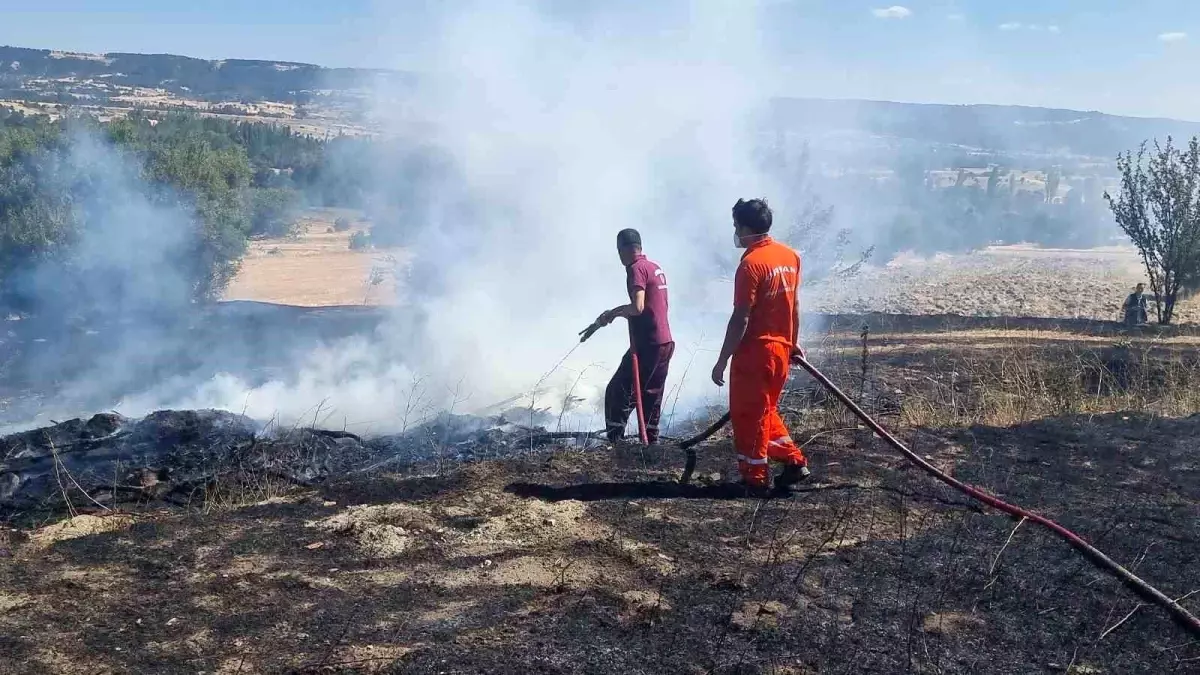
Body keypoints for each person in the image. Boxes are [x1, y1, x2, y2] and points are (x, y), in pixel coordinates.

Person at [711, 198, 810, 494]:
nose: (735, 233)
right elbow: (794, 306)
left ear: (745, 227)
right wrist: (792, 343)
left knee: (748, 416)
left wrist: (721, 359)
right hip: (780, 352)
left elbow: (740, 317)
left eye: (735, 227)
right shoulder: (790, 256)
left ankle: (754, 479)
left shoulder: (751, 265)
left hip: (756, 354)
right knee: (765, 411)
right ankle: (793, 462)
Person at [592, 228, 674, 444]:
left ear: (624, 250)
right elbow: (656, 305)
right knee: (651, 396)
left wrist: (613, 313)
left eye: (619, 251)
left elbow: (637, 307)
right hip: (664, 341)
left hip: (649, 344)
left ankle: (616, 442)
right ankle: (651, 444)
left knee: (617, 392)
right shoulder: (654, 267)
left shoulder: (635, 269)